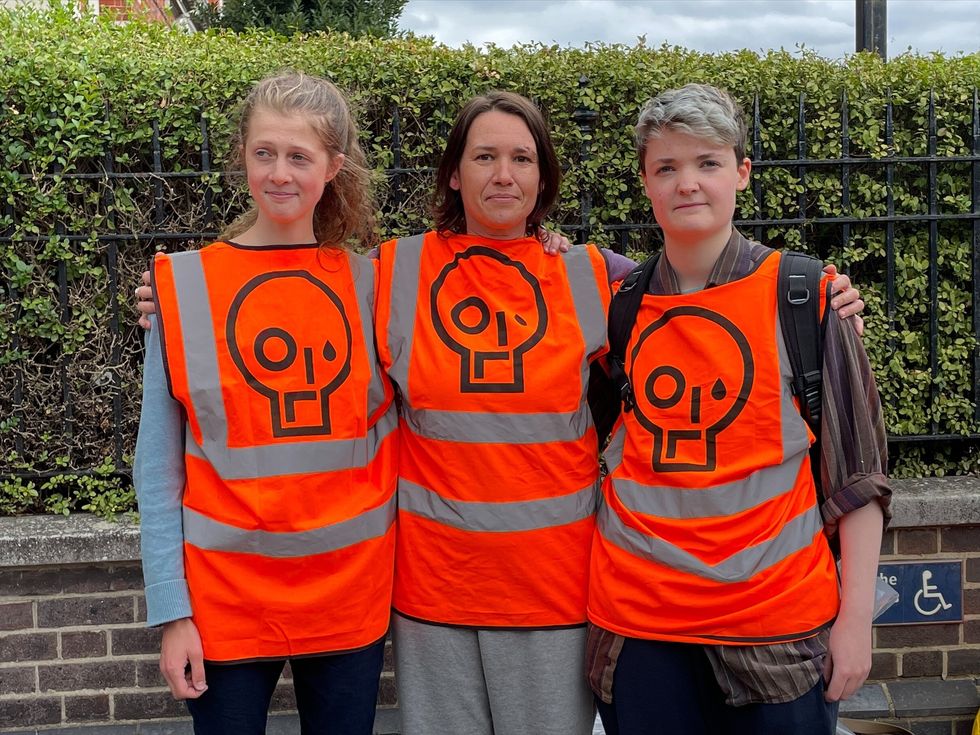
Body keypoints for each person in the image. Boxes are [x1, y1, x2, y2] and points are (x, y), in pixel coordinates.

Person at [135, 86, 866, 735]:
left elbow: (694, 295)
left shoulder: (595, 276)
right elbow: (286, 291)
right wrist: (167, 306)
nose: (504, 173)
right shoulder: (394, 271)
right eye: (484, 156)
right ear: (454, 171)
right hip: (433, 590)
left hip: (557, 591)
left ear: (544, 176)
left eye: (522, 157)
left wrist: (823, 299)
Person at [586, 83, 890, 735]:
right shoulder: (619, 306)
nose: (687, 183)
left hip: (776, 633)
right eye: (666, 167)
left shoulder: (806, 296)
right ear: (645, 181)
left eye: (707, 163)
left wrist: (856, 620)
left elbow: (858, 477)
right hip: (640, 632)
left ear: (742, 174)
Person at [133, 72, 398, 735]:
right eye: (264, 153)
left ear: (333, 167)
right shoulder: (182, 285)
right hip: (223, 602)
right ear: (242, 156)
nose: (279, 173)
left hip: (348, 594)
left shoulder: (373, 285)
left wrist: (553, 244)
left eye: (299, 156)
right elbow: (158, 466)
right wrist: (173, 612)